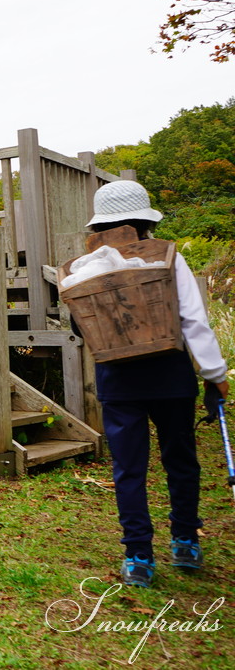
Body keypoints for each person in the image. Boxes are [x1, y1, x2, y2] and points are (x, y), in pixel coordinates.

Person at [81, 180, 230, 589]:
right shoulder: (167, 255)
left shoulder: (86, 265)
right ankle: (184, 540)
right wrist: (214, 375)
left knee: (128, 468)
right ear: (145, 221)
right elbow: (193, 320)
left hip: (118, 378)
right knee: (180, 459)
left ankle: (138, 557)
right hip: (170, 376)